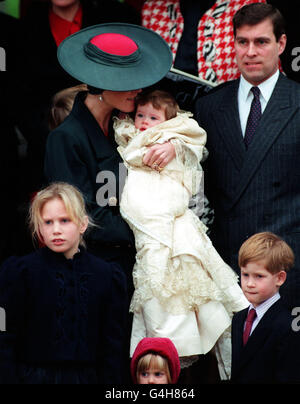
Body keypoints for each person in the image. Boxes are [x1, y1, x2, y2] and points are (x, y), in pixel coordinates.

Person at [113, 89, 248, 380]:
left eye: (153, 117)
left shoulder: (179, 138)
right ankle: (157, 371)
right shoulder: (125, 138)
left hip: (177, 229)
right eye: (140, 115)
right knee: (159, 307)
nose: (145, 122)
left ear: (167, 121)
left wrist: (176, 145)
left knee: (198, 303)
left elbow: (194, 155)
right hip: (149, 238)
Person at [44, 24, 173, 294]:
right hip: (93, 271)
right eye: (127, 81)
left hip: (137, 262)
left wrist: (174, 147)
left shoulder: (129, 126)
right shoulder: (66, 139)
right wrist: (152, 231)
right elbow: (82, 215)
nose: (138, 89)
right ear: (101, 81)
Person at [195, 3, 300, 309]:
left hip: (286, 266)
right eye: (243, 42)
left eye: (261, 42)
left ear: (281, 44)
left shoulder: (296, 102)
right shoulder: (209, 107)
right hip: (225, 267)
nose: (250, 51)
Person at [0, 182, 128, 384]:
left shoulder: (107, 276)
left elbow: (113, 347)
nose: (56, 230)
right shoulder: (20, 273)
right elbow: (6, 336)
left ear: (83, 224)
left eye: (65, 220)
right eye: (48, 222)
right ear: (38, 227)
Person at [141, 0, 266, 86]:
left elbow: (264, 72)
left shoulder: (246, 6)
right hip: (162, 108)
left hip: (222, 107)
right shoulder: (154, 7)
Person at [231, 232, 300, 384]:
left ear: (280, 278)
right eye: (245, 274)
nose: (249, 283)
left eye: (259, 276)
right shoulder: (238, 319)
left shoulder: (289, 325)